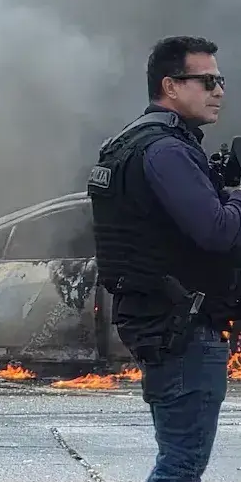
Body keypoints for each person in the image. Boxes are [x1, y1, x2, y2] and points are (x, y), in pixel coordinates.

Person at [87, 35, 241, 483]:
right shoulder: (166, 149)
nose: (219, 91)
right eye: (207, 80)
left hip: (162, 321)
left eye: (221, 80)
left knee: (179, 460)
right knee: (181, 465)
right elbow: (216, 230)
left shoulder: (132, 140)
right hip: (184, 327)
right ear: (171, 86)